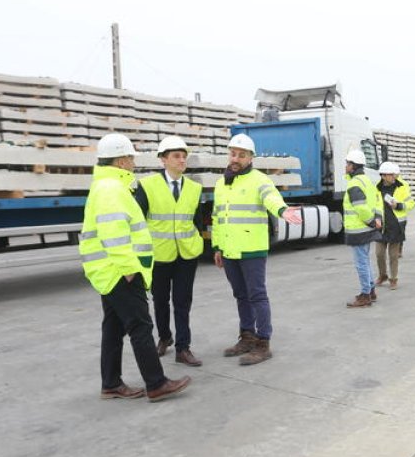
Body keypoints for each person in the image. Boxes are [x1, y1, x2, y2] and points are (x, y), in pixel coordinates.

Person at [80, 133, 191, 402]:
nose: (133, 163)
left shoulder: (109, 185)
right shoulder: (111, 189)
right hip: (120, 271)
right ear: (120, 160)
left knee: (113, 328)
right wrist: (130, 269)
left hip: (109, 270)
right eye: (130, 158)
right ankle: (156, 383)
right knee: (140, 326)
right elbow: (114, 232)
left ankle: (111, 383)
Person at [212, 133, 303, 365]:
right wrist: (217, 247)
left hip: (252, 249)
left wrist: (283, 210)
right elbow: (217, 217)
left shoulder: (260, 180)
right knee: (240, 295)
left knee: (257, 296)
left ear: (250, 158)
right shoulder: (222, 183)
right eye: (233, 153)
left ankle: (263, 343)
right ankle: (247, 336)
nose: (236, 158)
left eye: (241, 155)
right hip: (230, 250)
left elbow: (271, 199)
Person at [134, 135, 204, 367]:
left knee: (183, 301)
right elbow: (138, 221)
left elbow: (198, 221)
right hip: (159, 254)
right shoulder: (146, 186)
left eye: (184, 156)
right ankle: (165, 337)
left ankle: (183, 348)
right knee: (160, 300)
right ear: (163, 160)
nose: (181, 160)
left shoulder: (194, 188)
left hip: (187, 253)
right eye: (176, 156)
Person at [343, 147, 384, 308]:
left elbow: (360, 208)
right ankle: (371, 291)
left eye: (348, 163)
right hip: (367, 229)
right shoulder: (368, 182)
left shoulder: (354, 184)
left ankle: (365, 295)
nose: (346, 166)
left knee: (361, 263)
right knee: (365, 261)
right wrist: (377, 219)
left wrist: (371, 221)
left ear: (354, 166)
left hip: (359, 230)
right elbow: (378, 202)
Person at [375, 161, 412, 290]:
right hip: (381, 226)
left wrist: (399, 205)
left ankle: (393, 279)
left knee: (393, 256)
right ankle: (383, 275)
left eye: (394, 175)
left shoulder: (401, 187)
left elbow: (411, 203)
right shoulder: (376, 188)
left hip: (396, 226)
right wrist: (375, 218)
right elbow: (373, 205)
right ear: (383, 176)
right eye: (391, 175)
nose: (394, 177)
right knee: (379, 254)